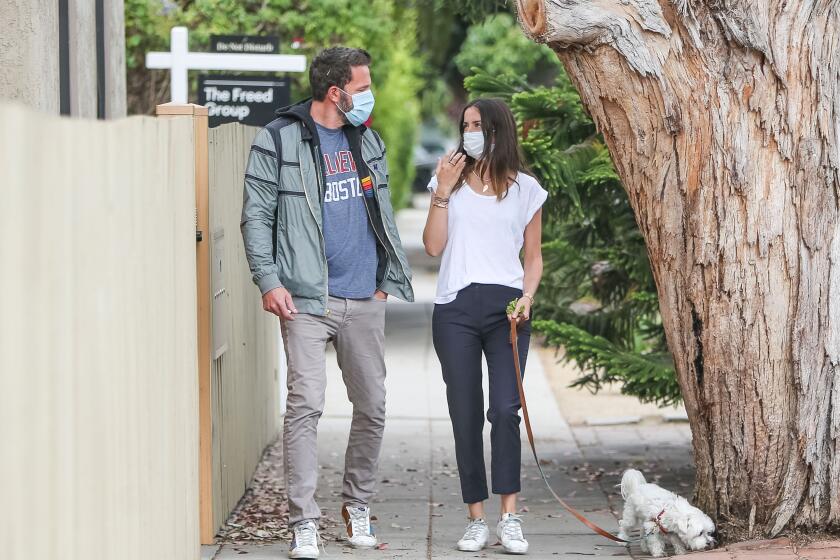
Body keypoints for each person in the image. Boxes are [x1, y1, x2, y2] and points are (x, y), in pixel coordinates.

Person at [241, 46, 414, 559]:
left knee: (373, 407)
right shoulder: (278, 139)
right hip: (306, 299)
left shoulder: (370, 141)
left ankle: (357, 505)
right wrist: (269, 281)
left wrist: (385, 279)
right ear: (336, 92)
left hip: (365, 295)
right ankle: (304, 522)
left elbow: (380, 211)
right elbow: (256, 216)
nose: (369, 97)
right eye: (362, 88)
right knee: (305, 407)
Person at [422, 98, 546, 555]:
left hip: (507, 310)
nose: (470, 131)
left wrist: (527, 299)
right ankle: (476, 518)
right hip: (455, 307)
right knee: (466, 414)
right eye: (465, 125)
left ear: (498, 130)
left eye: (478, 124)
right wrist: (442, 189)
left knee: (504, 411)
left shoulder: (527, 189)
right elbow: (433, 247)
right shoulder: (448, 183)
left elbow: (533, 258)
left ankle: (509, 516)